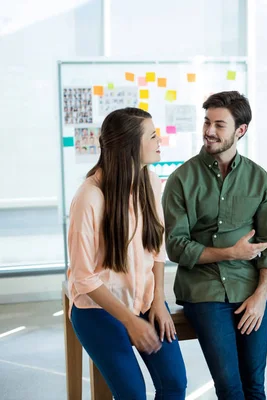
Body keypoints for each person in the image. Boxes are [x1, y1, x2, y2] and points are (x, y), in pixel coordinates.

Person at [162, 91, 267, 400]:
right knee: (230, 388)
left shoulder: (259, 179)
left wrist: (260, 295)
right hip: (204, 292)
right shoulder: (181, 179)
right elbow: (176, 246)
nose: (209, 131)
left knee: (255, 386)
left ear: (240, 130)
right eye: (206, 122)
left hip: (249, 289)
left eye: (219, 124)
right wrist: (229, 253)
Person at [67, 107, 187, 399]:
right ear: (131, 146)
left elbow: (156, 247)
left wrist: (158, 301)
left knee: (174, 384)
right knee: (132, 393)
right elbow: (84, 278)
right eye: (153, 135)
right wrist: (130, 321)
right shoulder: (89, 197)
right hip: (97, 309)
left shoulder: (150, 181)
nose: (160, 141)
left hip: (145, 301)